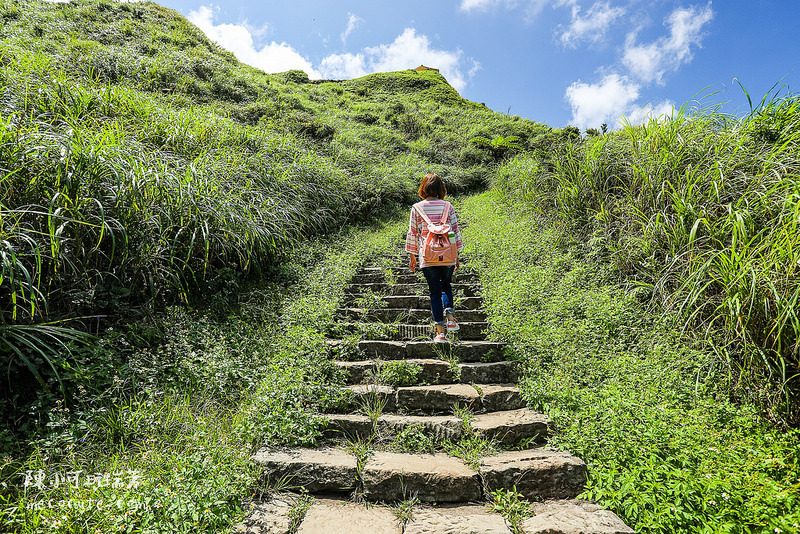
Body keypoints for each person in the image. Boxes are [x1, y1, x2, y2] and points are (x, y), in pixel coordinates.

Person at [404, 173, 463, 343]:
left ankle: (440, 334)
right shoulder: (448, 206)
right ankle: (451, 318)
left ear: (423, 188)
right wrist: (456, 254)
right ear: (441, 189)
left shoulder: (417, 208)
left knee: (435, 292)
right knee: (446, 286)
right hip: (447, 255)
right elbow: (455, 232)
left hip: (428, 256)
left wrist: (412, 256)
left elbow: (412, 233)